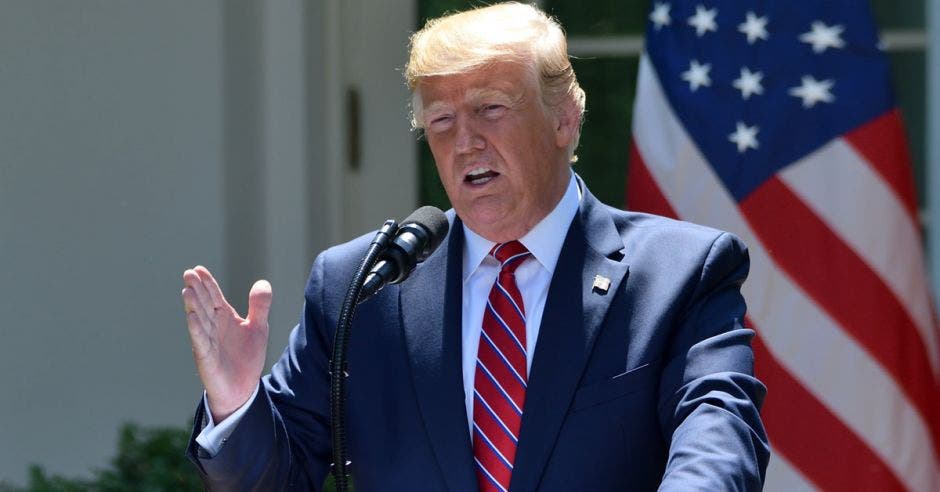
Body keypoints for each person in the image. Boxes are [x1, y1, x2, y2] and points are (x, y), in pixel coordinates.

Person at [181, 2, 769, 490]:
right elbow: (279, 480)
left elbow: (718, 442)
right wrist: (236, 405)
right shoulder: (362, 285)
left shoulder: (679, 274)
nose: (465, 142)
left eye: (490, 109)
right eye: (441, 121)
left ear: (564, 119)